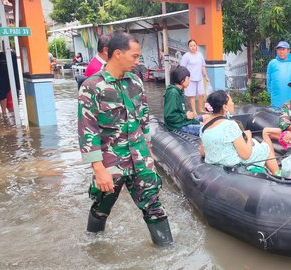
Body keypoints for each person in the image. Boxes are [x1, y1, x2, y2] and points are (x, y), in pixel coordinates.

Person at [77, 31, 173, 246]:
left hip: (140, 159)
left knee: (154, 207)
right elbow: (87, 131)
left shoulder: (135, 83)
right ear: (118, 54)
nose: (137, 61)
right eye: (135, 56)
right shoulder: (92, 87)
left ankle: (168, 253)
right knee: (102, 208)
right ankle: (94, 245)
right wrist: (99, 170)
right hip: (111, 163)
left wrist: (149, 153)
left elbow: (144, 120)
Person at [199, 90, 280, 174]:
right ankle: (278, 175)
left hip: (216, 167)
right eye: (231, 101)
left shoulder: (204, 127)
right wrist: (248, 136)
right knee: (265, 147)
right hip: (233, 166)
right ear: (225, 107)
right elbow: (245, 155)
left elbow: (202, 153)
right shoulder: (230, 125)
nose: (233, 104)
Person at [163, 66, 204, 135]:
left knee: (205, 118)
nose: (189, 81)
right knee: (207, 129)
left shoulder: (179, 92)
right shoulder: (173, 93)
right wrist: (186, 116)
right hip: (177, 126)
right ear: (182, 80)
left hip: (181, 122)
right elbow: (169, 116)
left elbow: (180, 112)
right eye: (188, 78)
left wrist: (197, 122)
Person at [266, 41, 291, 109]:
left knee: (289, 115)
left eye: (283, 49)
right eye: (279, 49)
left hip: (289, 95)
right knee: (275, 116)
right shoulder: (272, 63)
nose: (281, 52)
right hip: (276, 96)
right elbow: (268, 80)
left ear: (288, 51)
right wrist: (270, 93)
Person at [180, 39, 209, 114]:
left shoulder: (200, 54)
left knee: (201, 94)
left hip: (199, 78)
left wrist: (205, 76)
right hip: (190, 79)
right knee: (191, 96)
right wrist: (184, 79)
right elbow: (182, 68)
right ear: (188, 47)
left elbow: (203, 66)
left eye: (194, 45)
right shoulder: (186, 56)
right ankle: (194, 111)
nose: (193, 47)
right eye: (191, 46)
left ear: (196, 46)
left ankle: (201, 109)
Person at [0, 49, 20, 118]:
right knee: (0, 96)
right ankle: (3, 115)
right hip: (2, 80)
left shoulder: (13, 55)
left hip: (12, 81)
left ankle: (1, 117)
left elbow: (18, 68)